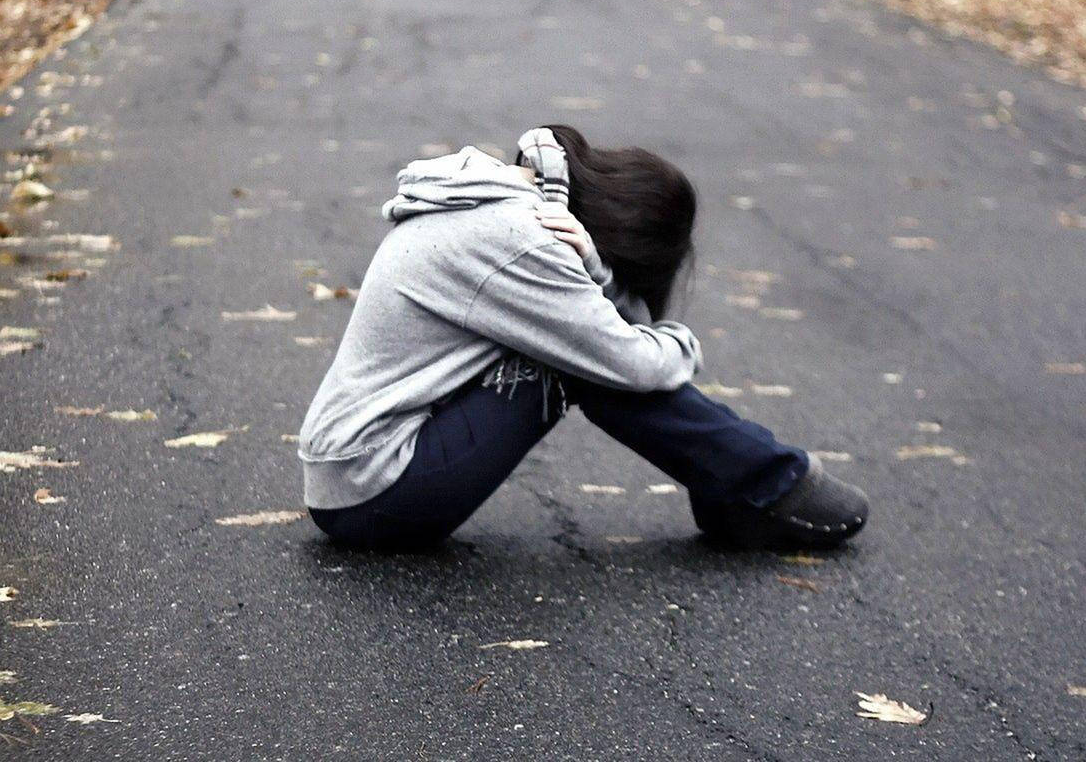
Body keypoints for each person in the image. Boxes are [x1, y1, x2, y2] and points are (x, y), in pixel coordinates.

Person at [296, 125, 868, 551]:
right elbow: (631, 359)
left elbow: (602, 331)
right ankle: (762, 486)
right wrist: (680, 341)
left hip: (353, 475)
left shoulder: (505, 200)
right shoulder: (523, 239)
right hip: (375, 492)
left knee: (580, 348)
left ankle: (743, 484)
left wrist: (594, 271)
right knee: (576, 362)